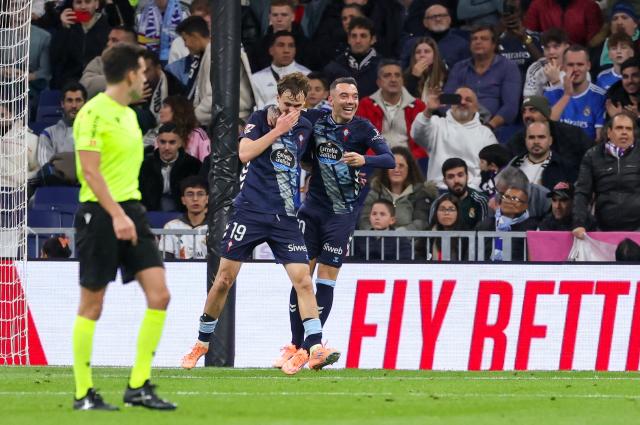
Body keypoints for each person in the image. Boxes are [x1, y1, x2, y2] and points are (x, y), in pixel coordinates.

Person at [180, 73, 340, 375]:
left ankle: (316, 347)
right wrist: (277, 130)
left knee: (303, 280)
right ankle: (201, 342)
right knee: (223, 280)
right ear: (278, 97)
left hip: (285, 218)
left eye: (297, 106)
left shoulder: (306, 124)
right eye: (287, 104)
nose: (291, 111)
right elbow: (244, 154)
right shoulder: (261, 118)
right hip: (250, 212)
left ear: (305, 102)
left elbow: (305, 157)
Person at [71, 43, 175, 410]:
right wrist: (116, 215)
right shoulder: (93, 113)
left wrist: (127, 213)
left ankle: (138, 386)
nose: (146, 78)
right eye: (144, 71)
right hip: (99, 213)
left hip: (131, 209)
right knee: (92, 305)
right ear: (131, 73)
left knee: (160, 294)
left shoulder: (130, 114)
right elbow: (90, 171)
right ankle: (83, 393)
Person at [273, 76, 395, 370]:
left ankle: (308, 348)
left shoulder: (364, 128)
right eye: (344, 96)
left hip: (341, 216)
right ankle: (295, 343)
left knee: (326, 278)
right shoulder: (315, 118)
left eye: (354, 96)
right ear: (331, 98)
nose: (350, 101)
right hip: (311, 211)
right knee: (302, 277)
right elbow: (293, 131)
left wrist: (364, 160)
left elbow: (389, 159)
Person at [411, 86, 498, 189]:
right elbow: (416, 134)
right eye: (458, 99)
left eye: (468, 100)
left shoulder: (485, 134)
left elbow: (492, 168)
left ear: (476, 108)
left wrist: (471, 189)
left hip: (472, 192)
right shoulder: (436, 124)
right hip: (439, 190)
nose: (463, 102)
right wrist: (428, 110)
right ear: (451, 104)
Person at [573, 112, 640, 237]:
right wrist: (578, 223)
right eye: (619, 128)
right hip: (603, 229)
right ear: (609, 132)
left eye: (628, 129)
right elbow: (582, 192)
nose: (624, 132)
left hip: (637, 229)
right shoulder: (592, 155)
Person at [443, 25, 522, 132]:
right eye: (474, 39)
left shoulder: (508, 67)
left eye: (484, 39)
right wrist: (459, 122)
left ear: (494, 44)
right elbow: (446, 99)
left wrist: (489, 126)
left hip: (494, 127)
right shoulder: (459, 67)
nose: (478, 42)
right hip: (459, 123)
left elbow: (510, 107)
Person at [356, 59, 428, 168]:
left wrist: (408, 160)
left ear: (403, 80)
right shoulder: (365, 104)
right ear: (378, 82)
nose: (393, 79)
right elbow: (361, 140)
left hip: (410, 163)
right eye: (387, 75)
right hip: (376, 164)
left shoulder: (418, 106)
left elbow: (424, 143)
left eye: (397, 75)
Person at [506, 95, 593, 178]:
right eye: (524, 112)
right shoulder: (517, 140)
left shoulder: (571, 133)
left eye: (532, 110)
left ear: (546, 113)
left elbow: (592, 158)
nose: (527, 115)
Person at [359, 146, 438, 231]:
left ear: (409, 169)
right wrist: (376, 236)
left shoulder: (420, 193)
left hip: (410, 243)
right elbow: (364, 220)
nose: (396, 169)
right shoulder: (376, 192)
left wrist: (396, 236)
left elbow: (420, 223)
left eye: (401, 166)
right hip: (377, 242)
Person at [476, 166, 539, 261]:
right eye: (499, 193)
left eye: (502, 194)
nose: (498, 198)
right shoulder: (485, 225)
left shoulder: (534, 228)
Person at [545, 45, 606, 141]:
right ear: (563, 67)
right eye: (570, 65)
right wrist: (566, 95)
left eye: (580, 64)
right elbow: (546, 128)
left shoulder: (600, 97)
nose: (575, 69)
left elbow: (599, 139)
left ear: (588, 66)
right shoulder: (551, 94)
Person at [139, 123, 202, 212]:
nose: (166, 147)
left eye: (172, 142)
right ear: (157, 142)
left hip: (184, 214)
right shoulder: (146, 165)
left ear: (180, 143)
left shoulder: (193, 165)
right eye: (163, 142)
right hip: (151, 214)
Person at [50, 0, 110, 89]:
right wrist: (64, 29)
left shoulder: (107, 26)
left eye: (87, 2)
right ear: (72, 5)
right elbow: (55, 57)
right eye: (78, 2)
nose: (83, 6)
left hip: (97, 79)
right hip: (69, 82)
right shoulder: (66, 26)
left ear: (96, 4)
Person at [323, 16, 381, 97]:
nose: (358, 41)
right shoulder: (333, 68)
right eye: (354, 36)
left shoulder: (383, 68)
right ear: (348, 39)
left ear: (373, 39)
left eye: (363, 36)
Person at [252, 31, 311, 109]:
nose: (286, 50)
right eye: (281, 45)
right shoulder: (256, 79)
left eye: (291, 46)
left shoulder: (307, 75)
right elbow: (256, 108)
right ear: (271, 50)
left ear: (295, 50)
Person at [400, 4, 469, 69]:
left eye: (442, 15)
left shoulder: (462, 44)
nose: (438, 19)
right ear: (425, 22)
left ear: (449, 20)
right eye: (433, 17)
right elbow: (403, 70)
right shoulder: (411, 44)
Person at [507, 120, 572, 190]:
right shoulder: (514, 163)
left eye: (541, 137)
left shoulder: (565, 168)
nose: (536, 142)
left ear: (550, 140)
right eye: (531, 137)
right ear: (525, 140)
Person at [248, 0, 310, 72]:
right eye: (275, 15)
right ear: (269, 17)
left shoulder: (306, 46)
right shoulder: (258, 47)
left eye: (284, 15)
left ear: (293, 16)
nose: (279, 19)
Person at [37, 81, 86, 167]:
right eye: (69, 101)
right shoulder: (48, 134)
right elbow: (46, 168)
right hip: (59, 179)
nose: (74, 105)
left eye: (78, 100)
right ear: (62, 104)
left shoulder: (97, 132)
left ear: (85, 104)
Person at [146, 95, 210, 160]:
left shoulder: (198, 134)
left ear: (178, 109)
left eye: (165, 107)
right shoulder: (161, 134)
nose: (160, 111)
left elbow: (207, 163)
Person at [81, 26, 138, 99]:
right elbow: (85, 86)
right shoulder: (98, 62)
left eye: (114, 40)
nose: (108, 43)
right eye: (109, 39)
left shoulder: (143, 65)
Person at [159, 176, 208, 259]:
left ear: (207, 199)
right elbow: (165, 261)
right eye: (190, 194)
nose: (195, 199)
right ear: (183, 200)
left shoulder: (216, 227)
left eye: (200, 194)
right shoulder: (171, 227)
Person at [176, 16, 212, 126]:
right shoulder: (204, 55)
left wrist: (191, 119)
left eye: (185, 39)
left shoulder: (214, 55)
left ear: (195, 36)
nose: (185, 45)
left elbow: (213, 97)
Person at [435, 158, 489, 230]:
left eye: (460, 175)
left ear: (467, 177)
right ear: (445, 181)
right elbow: (432, 233)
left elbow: (484, 235)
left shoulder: (481, 201)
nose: (456, 181)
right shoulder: (439, 203)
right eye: (451, 177)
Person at [524, 0, 603, 46]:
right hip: (547, 58)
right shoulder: (538, 5)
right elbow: (529, 37)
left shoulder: (590, 6)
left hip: (580, 59)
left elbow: (593, 44)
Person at [523, 27, 571, 98]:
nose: (551, 52)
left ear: (566, 47)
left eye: (556, 47)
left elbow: (577, 103)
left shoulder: (576, 67)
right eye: (547, 47)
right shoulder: (536, 68)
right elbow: (529, 102)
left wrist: (556, 82)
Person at [403, 36, 448, 102]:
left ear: (434, 55)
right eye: (418, 52)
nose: (422, 55)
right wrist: (414, 78)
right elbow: (405, 101)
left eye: (427, 51)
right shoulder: (407, 75)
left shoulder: (445, 73)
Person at [428, 193, 467, 261]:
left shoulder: (466, 237)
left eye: (451, 209)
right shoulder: (428, 235)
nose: (446, 213)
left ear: (458, 213)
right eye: (442, 209)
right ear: (436, 213)